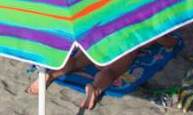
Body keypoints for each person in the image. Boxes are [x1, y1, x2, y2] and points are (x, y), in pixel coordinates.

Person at [26, 34, 179, 110]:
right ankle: (95, 88)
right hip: (122, 51)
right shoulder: (143, 26)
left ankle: (50, 75)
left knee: (76, 61)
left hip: (98, 41)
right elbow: (170, 42)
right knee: (110, 71)